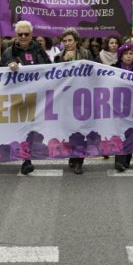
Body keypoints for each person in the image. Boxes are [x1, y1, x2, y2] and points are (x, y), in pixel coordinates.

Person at [0, 21, 51, 176]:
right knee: (23, 128)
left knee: (33, 128)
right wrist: (9, 64)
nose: (22, 37)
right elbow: (0, 70)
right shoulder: (9, 51)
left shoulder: (38, 49)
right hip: (18, 98)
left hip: (37, 96)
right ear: (16, 35)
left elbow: (49, 66)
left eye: (26, 34)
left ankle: (27, 155)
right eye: (20, 34)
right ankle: (26, 160)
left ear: (31, 35)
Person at [54, 28, 92, 174]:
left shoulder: (86, 54)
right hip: (66, 98)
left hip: (83, 96)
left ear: (76, 41)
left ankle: (78, 161)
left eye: (70, 40)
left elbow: (94, 71)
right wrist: (65, 61)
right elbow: (56, 76)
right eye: (65, 41)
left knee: (81, 129)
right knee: (69, 129)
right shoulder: (59, 57)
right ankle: (72, 155)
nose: (68, 43)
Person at [112, 42, 133, 172]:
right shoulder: (113, 68)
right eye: (126, 54)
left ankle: (127, 158)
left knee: (130, 133)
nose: (128, 56)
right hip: (116, 106)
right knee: (119, 133)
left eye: (131, 54)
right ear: (120, 56)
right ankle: (119, 160)